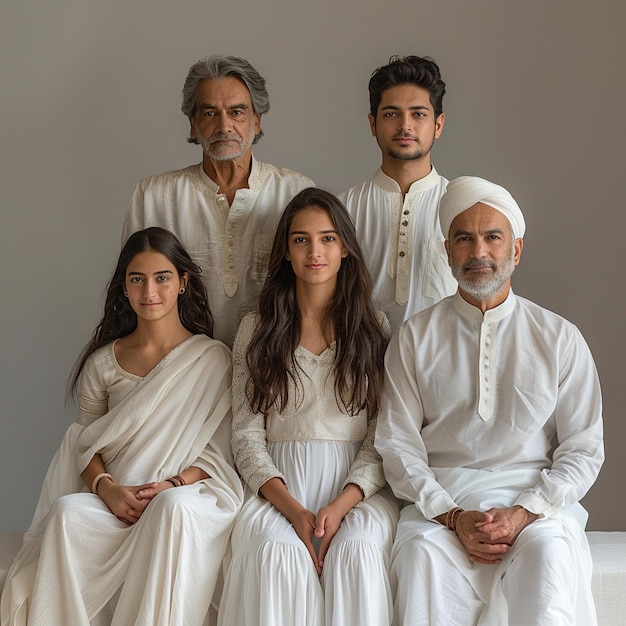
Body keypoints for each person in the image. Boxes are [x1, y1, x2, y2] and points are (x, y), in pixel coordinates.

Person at [375, 176, 604, 625]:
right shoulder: (414, 338)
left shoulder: (559, 338)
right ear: (447, 251)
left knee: (552, 555)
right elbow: (398, 446)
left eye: (492, 237)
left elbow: (584, 449)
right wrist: (451, 514)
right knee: (421, 556)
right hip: (441, 505)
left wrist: (526, 511)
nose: (478, 252)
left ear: (515, 250)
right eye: (464, 238)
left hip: (536, 505)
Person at [1, 227, 244, 625]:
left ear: (183, 283)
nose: (150, 291)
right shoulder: (103, 363)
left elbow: (218, 451)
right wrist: (107, 489)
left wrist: (172, 484)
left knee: (171, 510)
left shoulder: (213, 359)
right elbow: (82, 445)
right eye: (137, 279)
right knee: (67, 512)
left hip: (187, 493)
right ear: (125, 288)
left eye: (162, 278)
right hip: (116, 499)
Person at [217, 188, 399, 626]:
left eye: (328, 238)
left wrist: (341, 505)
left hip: (358, 490)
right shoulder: (256, 328)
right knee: (276, 554)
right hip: (277, 490)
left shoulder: (373, 327)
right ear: (285, 250)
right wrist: (294, 510)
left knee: (355, 551)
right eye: (300, 239)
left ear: (346, 249)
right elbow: (245, 434)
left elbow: (382, 432)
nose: (314, 251)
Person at [123, 54, 314, 347]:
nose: (224, 126)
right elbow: (133, 296)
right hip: (182, 370)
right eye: (210, 113)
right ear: (192, 124)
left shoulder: (294, 192)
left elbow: (317, 293)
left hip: (273, 366)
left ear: (257, 121)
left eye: (237, 112)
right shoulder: (153, 196)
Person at [340, 55, 457, 331]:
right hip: (360, 368)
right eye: (391, 114)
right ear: (373, 124)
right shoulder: (342, 209)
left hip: (438, 367)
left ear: (438, 125)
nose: (405, 126)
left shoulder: (461, 209)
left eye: (418, 114)